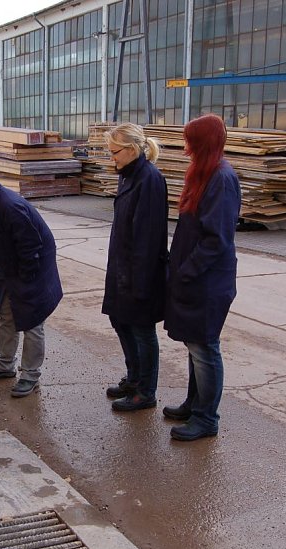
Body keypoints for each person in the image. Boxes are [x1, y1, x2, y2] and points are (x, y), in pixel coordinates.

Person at [163, 114, 241, 441]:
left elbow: (215, 239)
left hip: (208, 281)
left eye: (190, 140)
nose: (186, 147)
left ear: (202, 142)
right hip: (195, 278)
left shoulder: (221, 178)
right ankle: (195, 404)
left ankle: (207, 418)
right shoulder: (203, 173)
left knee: (205, 347)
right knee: (195, 345)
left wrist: (187, 270)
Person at [0, 170, 63, 398]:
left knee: (32, 321)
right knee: (7, 313)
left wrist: (25, 281)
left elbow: (31, 248)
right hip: (10, 265)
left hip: (34, 266)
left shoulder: (12, 208)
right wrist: (2, 266)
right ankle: (5, 364)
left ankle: (30, 375)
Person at [101, 123, 169, 412]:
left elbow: (149, 236)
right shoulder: (127, 176)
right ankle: (134, 377)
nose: (111, 158)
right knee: (121, 322)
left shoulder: (149, 179)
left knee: (141, 329)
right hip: (122, 267)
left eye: (115, 152)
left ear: (131, 150)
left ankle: (145, 391)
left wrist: (139, 282)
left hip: (139, 272)